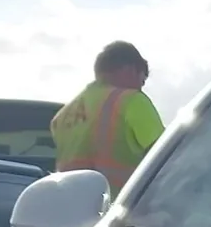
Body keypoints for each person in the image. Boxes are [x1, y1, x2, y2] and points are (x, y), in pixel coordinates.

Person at [51, 41, 165, 193]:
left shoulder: (62, 117)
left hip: (71, 202)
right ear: (130, 70)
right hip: (120, 202)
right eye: (141, 81)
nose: (140, 88)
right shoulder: (131, 100)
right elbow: (168, 156)